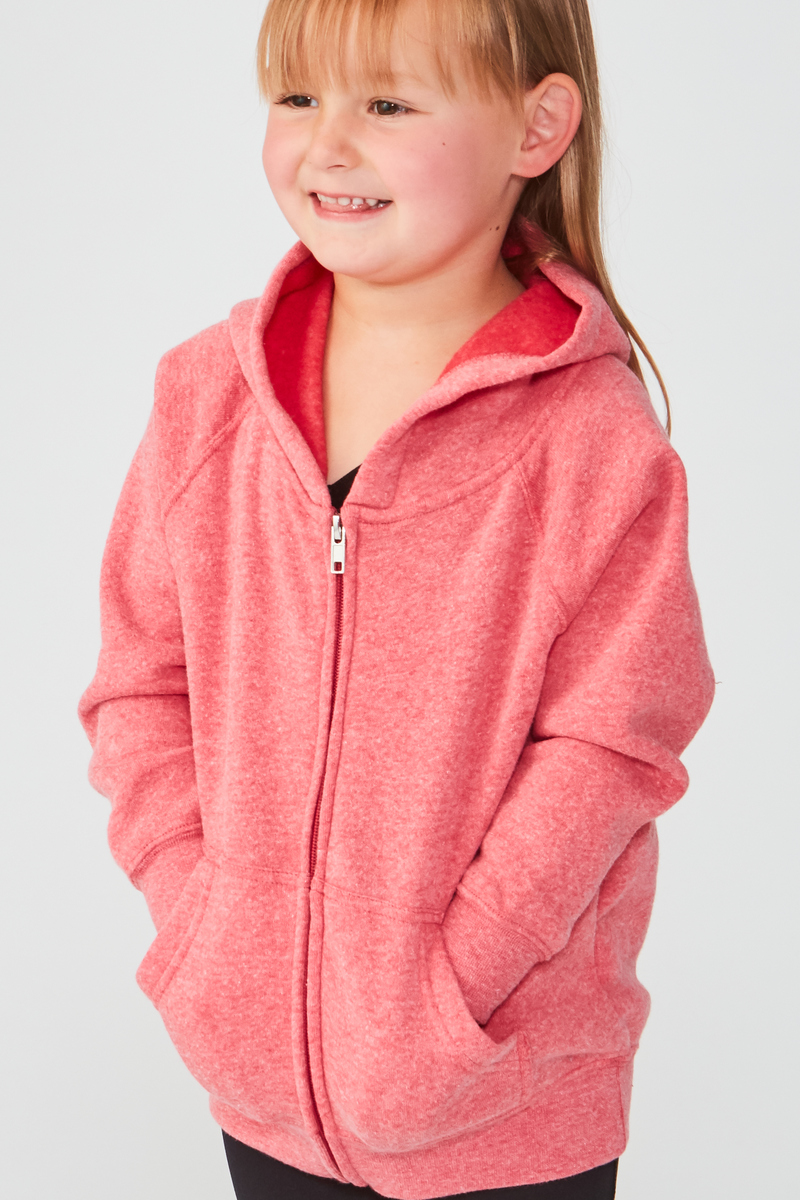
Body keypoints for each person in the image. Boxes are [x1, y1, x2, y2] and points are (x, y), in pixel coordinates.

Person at [78, 0, 715, 1197]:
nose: (327, 144)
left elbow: (613, 743)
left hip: (506, 1097)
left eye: (385, 102)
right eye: (297, 97)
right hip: (265, 1097)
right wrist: (205, 924)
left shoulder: (591, 440)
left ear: (536, 129)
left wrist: (445, 984)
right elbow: (138, 687)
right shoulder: (207, 398)